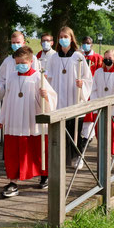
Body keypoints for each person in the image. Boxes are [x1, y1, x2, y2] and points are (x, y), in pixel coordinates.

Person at [0, 46, 57, 197]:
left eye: (23, 62)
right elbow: (7, 99)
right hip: (13, 120)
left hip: (32, 121)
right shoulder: (11, 77)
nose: (20, 66)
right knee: (13, 152)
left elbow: (52, 98)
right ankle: (12, 181)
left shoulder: (38, 77)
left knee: (36, 150)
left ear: (31, 61)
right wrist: (2, 118)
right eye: (17, 63)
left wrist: (46, 96)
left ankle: (44, 176)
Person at [45, 26, 92, 169]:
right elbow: (50, 77)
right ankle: (61, 159)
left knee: (75, 130)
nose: (63, 39)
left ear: (71, 39)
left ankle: (78, 156)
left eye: (66, 37)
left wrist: (82, 84)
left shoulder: (78, 57)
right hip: (59, 100)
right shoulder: (54, 57)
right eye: (61, 37)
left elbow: (88, 78)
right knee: (60, 132)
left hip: (74, 98)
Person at [80, 49, 114, 154]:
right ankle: (102, 151)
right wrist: (97, 103)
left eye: (110, 58)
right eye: (106, 58)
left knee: (111, 131)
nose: (107, 60)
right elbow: (93, 89)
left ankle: (111, 152)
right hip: (99, 106)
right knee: (100, 130)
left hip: (112, 107)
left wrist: (109, 103)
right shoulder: (98, 72)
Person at [0, 31, 40, 100]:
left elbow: (36, 77)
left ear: (23, 43)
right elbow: (1, 80)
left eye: (18, 42)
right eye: (13, 43)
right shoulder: (7, 61)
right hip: (11, 96)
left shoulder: (32, 58)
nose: (16, 45)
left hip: (28, 95)